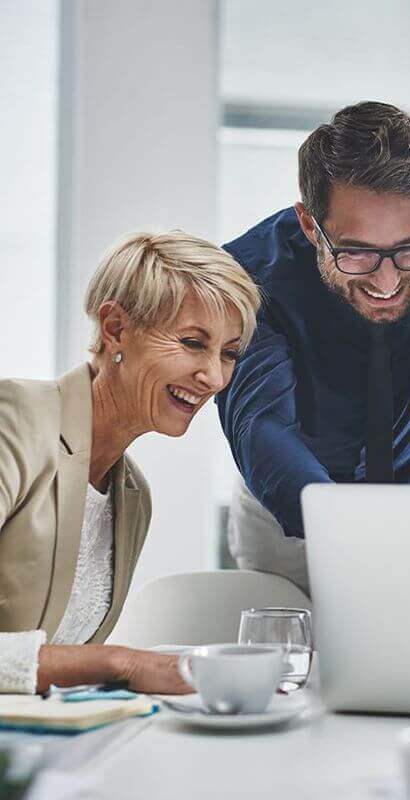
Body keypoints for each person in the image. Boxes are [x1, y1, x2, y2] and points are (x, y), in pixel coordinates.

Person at [218, 101, 410, 592]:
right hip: (289, 517)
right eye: (356, 252)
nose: (386, 279)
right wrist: (353, 539)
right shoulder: (247, 272)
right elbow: (262, 424)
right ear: (311, 225)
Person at [0, 231, 261, 694]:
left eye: (229, 353)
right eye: (192, 342)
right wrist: (119, 662)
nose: (215, 377)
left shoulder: (132, 496)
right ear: (116, 328)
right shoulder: (14, 421)